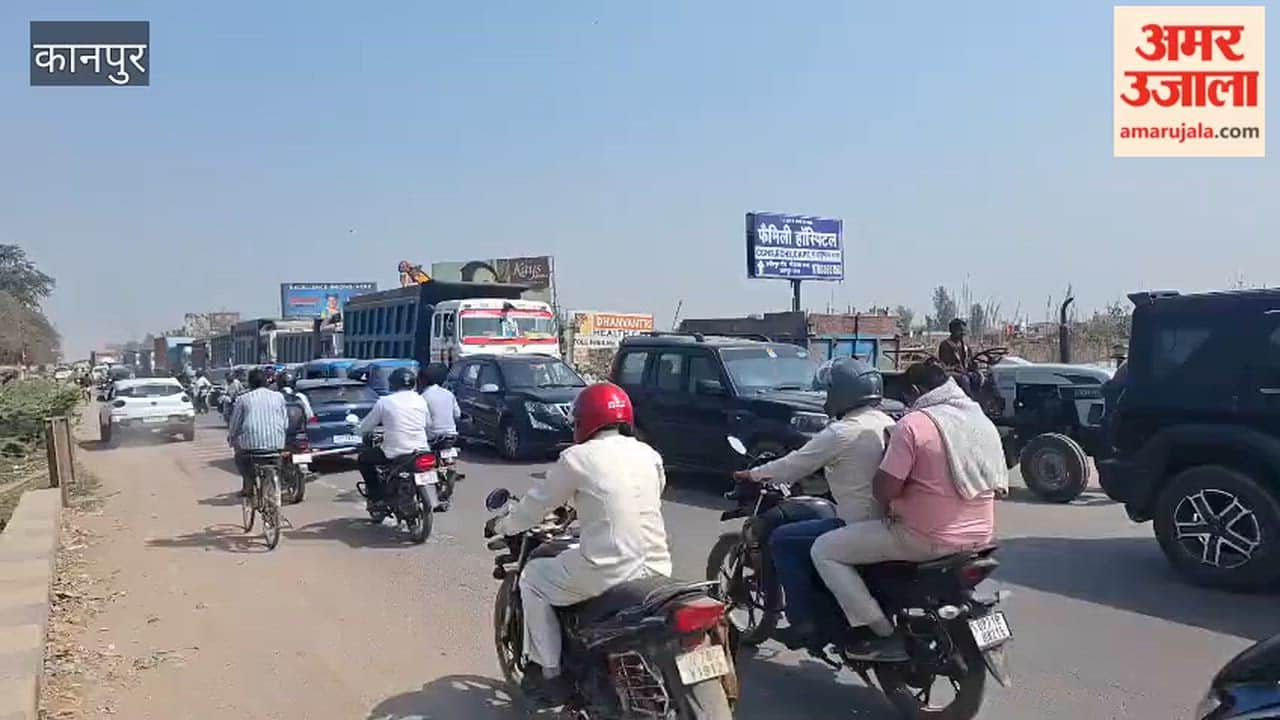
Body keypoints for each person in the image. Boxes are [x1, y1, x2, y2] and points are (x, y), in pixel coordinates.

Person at [488, 383, 670, 706]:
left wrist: (505, 524)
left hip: (608, 572)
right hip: (658, 568)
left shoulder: (576, 458)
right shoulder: (648, 453)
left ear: (584, 421)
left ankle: (551, 674)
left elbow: (536, 506)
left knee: (533, 580)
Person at [809, 362, 1006, 661]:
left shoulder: (913, 425)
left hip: (924, 537)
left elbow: (885, 489)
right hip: (981, 535)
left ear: (916, 391)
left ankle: (878, 631)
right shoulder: (979, 420)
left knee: (824, 550)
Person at [731, 358, 895, 650]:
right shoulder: (886, 421)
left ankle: (803, 622)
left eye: (829, 391)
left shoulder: (842, 431)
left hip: (857, 522)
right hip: (887, 519)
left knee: (783, 540)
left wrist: (752, 474)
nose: (826, 397)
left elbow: (795, 465)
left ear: (842, 392)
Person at [355, 367, 432, 511]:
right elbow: (428, 424)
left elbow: (368, 425)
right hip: (421, 449)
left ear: (393, 384)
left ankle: (376, 498)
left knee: (363, 460)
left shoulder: (385, 402)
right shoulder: (421, 400)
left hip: (396, 451)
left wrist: (357, 431)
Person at [228, 368, 289, 497]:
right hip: (276, 445)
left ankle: (248, 485)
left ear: (250, 383)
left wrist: (232, 439)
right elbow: (285, 423)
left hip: (251, 447)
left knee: (239, 457)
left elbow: (235, 425)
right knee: (277, 465)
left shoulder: (243, 399)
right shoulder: (279, 397)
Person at [419, 363, 461, 445]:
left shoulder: (423, 397)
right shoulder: (449, 394)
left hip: (433, 436)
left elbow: (426, 422)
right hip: (452, 435)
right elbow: (457, 414)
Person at [937, 318, 981, 397]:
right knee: (964, 380)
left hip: (964, 371)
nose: (963, 333)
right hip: (951, 372)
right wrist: (960, 370)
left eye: (964, 331)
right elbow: (946, 364)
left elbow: (970, 360)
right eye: (960, 330)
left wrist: (975, 369)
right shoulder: (945, 345)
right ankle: (969, 398)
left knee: (980, 377)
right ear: (953, 330)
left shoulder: (965, 346)